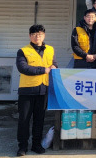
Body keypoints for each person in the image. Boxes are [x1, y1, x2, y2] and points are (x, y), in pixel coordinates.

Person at [16, 24, 58, 156]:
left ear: (44, 35)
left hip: (43, 89)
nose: (37, 36)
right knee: (24, 120)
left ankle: (36, 144)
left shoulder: (50, 49)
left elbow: (54, 64)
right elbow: (23, 68)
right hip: (27, 90)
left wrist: (54, 66)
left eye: (39, 34)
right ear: (30, 36)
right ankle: (22, 147)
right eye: (34, 34)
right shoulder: (23, 51)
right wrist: (44, 70)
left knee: (39, 119)